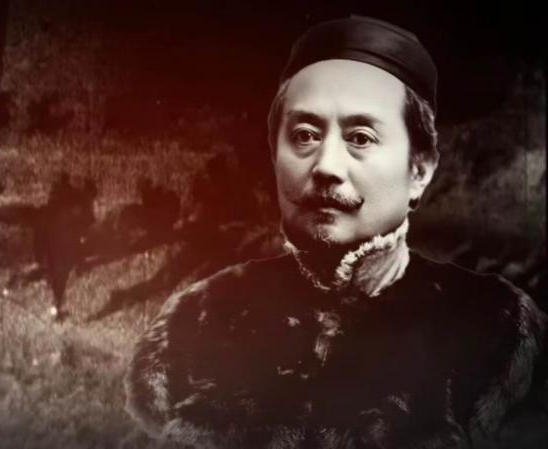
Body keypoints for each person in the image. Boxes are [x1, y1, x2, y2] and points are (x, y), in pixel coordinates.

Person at [124, 15, 547, 449]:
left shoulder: (497, 333)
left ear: (419, 170)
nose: (326, 166)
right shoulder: (197, 324)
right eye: (304, 135)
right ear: (275, 158)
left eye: (360, 138)